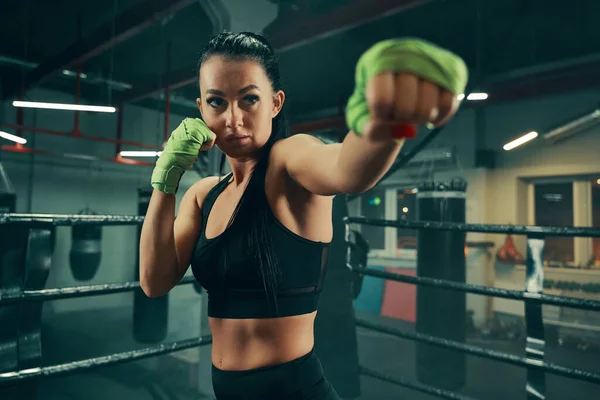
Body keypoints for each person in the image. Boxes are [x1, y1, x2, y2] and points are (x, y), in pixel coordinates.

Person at [139, 31, 466, 399]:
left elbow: (347, 169)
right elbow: (153, 282)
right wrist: (165, 178)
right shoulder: (203, 195)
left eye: (249, 99)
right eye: (217, 102)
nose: (233, 119)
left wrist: (384, 115)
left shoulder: (289, 163)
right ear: (201, 108)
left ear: (275, 103)